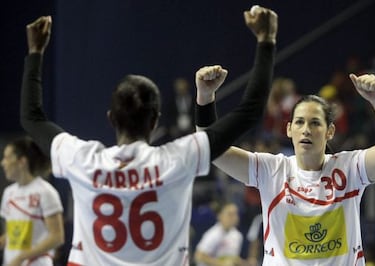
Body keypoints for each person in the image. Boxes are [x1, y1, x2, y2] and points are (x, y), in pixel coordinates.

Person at [19, 5, 277, 266]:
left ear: (111, 118)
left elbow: (31, 118)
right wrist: (266, 40)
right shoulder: (178, 158)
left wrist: (35, 52)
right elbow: (250, 111)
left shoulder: (82, 159)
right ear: (155, 121)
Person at [195, 70, 375, 264]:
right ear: (288, 129)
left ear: (330, 131)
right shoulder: (272, 170)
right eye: (299, 122)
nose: (306, 130)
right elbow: (213, 150)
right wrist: (205, 98)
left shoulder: (350, 168)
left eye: (315, 123)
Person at [0, 137, 64, 266]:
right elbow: (13, 234)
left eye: (7, 158)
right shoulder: (8, 193)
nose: (3, 163)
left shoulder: (45, 192)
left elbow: (57, 237)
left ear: (21, 162)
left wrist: (22, 257)